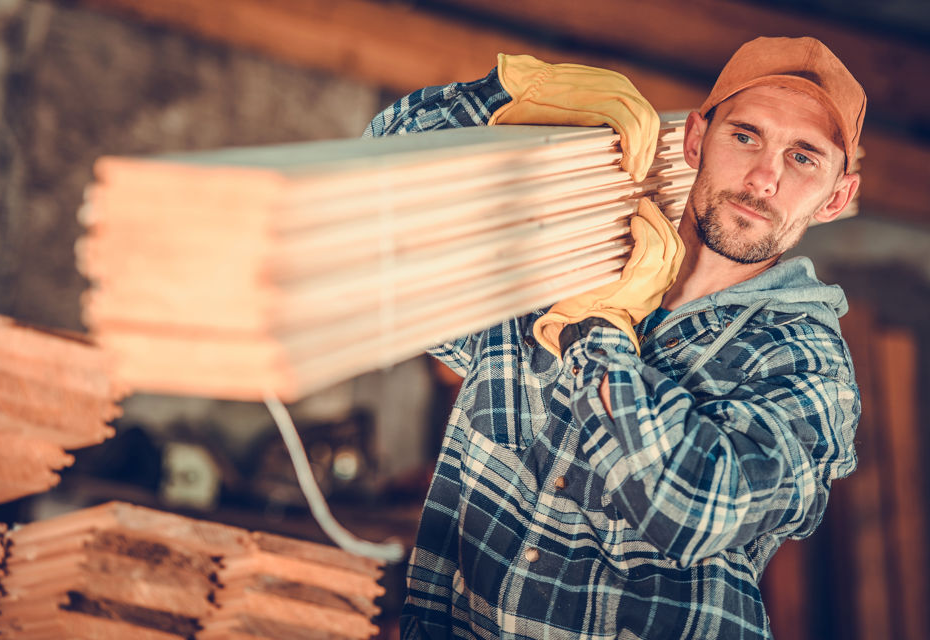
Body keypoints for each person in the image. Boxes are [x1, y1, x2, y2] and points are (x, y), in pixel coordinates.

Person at [365, 36, 863, 639]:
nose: (764, 177)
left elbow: (693, 510)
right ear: (696, 138)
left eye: (803, 157)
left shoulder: (806, 364)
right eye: (746, 135)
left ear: (837, 197)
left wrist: (596, 330)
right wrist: (511, 92)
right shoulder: (568, 253)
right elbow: (375, 184)